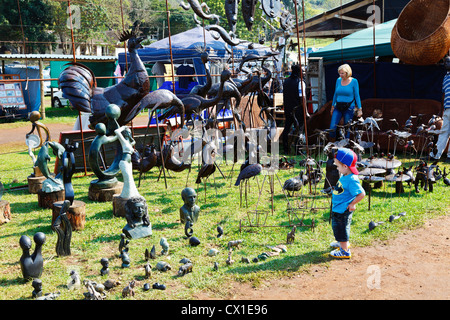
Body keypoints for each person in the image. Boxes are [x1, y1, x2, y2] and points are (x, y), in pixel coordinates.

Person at [330, 148, 365, 259]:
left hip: (343, 210)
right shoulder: (345, 175)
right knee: (338, 228)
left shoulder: (352, 179)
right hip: (338, 208)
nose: (337, 168)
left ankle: (345, 251)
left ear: (345, 166)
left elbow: (361, 194)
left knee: (341, 228)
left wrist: (352, 204)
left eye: (338, 166)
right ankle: (342, 243)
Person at [329, 64, 362, 141]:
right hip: (338, 106)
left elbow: (357, 95)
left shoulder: (354, 81)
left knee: (347, 128)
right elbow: (335, 94)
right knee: (332, 128)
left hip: (349, 107)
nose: (341, 75)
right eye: (340, 73)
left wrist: (360, 108)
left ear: (347, 73)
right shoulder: (338, 80)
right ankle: (332, 146)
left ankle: (346, 146)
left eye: (342, 73)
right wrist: (332, 106)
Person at [281, 63, 308, 154]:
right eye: (303, 71)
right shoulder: (300, 82)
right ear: (299, 72)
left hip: (288, 109)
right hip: (297, 109)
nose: (304, 73)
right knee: (299, 129)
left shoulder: (286, 81)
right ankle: (298, 150)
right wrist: (306, 111)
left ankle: (285, 149)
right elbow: (302, 98)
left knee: (287, 128)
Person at [429, 56, 450, 163]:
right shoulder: (445, 77)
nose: (446, 63)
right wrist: (441, 110)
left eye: (448, 61)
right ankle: (436, 155)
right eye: (445, 62)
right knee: (443, 132)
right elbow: (443, 94)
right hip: (447, 109)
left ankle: (449, 157)